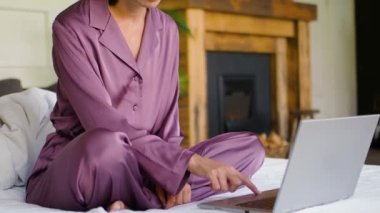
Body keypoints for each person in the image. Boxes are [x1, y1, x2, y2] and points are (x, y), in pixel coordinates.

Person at [26, 0, 265, 211]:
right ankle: (146, 198)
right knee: (106, 145)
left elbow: (169, 121)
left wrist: (170, 175)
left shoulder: (168, 28)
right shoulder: (71, 26)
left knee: (250, 148)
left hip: (151, 165)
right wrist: (185, 164)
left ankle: (131, 197)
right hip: (89, 163)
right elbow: (102, 123)